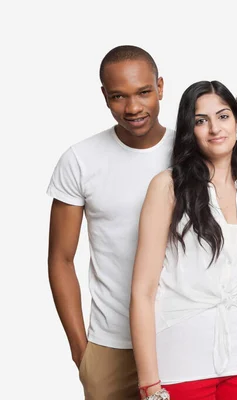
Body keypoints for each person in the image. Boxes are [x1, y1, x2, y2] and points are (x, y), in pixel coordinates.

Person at [129, 80, 237, 400]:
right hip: (180, 361)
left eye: (223, 116)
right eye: (200, 120)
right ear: (189, 130)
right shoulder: (166, 187)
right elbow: (142, 291)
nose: (214, 128)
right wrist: (150, 385)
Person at [47, 45, 173, 399]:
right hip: (111, 344)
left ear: (160, 87)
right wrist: (80, 351)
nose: (133, 108)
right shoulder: (80, 160)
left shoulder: (191, 151)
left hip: (181, 336)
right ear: (104, 96)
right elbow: (60, 258)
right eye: (119, 96)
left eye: (144, 92)